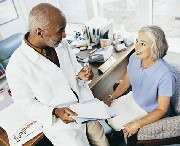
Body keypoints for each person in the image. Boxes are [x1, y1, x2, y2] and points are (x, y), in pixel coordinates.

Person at [6, 3, 109, 146]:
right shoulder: (17, 66)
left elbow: (73, 68)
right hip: (64, 126)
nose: (65, 35)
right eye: (60, 31)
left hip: (87, 108)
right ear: (40, 32)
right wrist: (55, 112)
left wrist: (81, 75)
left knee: (102, 142)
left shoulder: (61, 43)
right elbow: (26, 104)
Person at [104, 25, 176, 138]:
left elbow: (162, 109)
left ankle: (117, 137)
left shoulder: (166, 75)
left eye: (142, 44)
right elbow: (125, 83)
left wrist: (137, 124)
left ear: (155, 48)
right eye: (137, 41)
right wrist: (111, 97)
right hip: (134, 98)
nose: (136, 46)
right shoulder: (134, 58)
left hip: (150, 110)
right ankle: (114, 136)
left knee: (118, 124)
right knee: (108, 113)